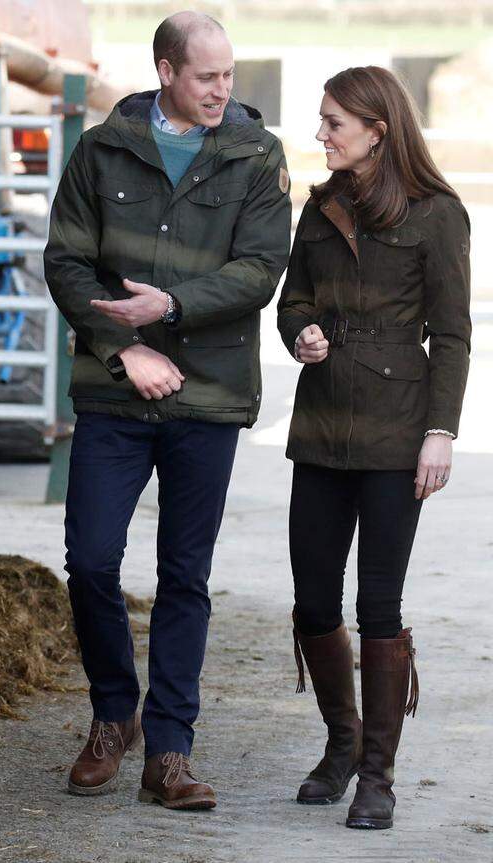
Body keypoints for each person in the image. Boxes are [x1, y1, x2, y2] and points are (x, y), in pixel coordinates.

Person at [44, 11, 291, 809]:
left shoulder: (257, 155)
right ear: (165, 71)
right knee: (90, 560)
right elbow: (67, 260)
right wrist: (126, 348)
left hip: (207, 397)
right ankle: (115, 713)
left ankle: (171, 748)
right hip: (116, 394)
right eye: (206, 76)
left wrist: (172, 307)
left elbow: (259, 270)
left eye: (228, 75)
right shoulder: (101, 149)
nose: (223, 89)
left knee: (186, 575)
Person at [277, 66, 470, 830]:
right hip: (321, 428)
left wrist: (440, 432)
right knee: (315, 598)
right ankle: (342, 741)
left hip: (397, 432)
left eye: (333, 123)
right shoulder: (320, 207)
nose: (321, 134)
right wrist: (302, 331)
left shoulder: (438, 214)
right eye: (322, 122)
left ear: (376, 130)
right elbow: (293, 295)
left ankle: (378, 778)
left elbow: (453, 334)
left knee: (378, 605)